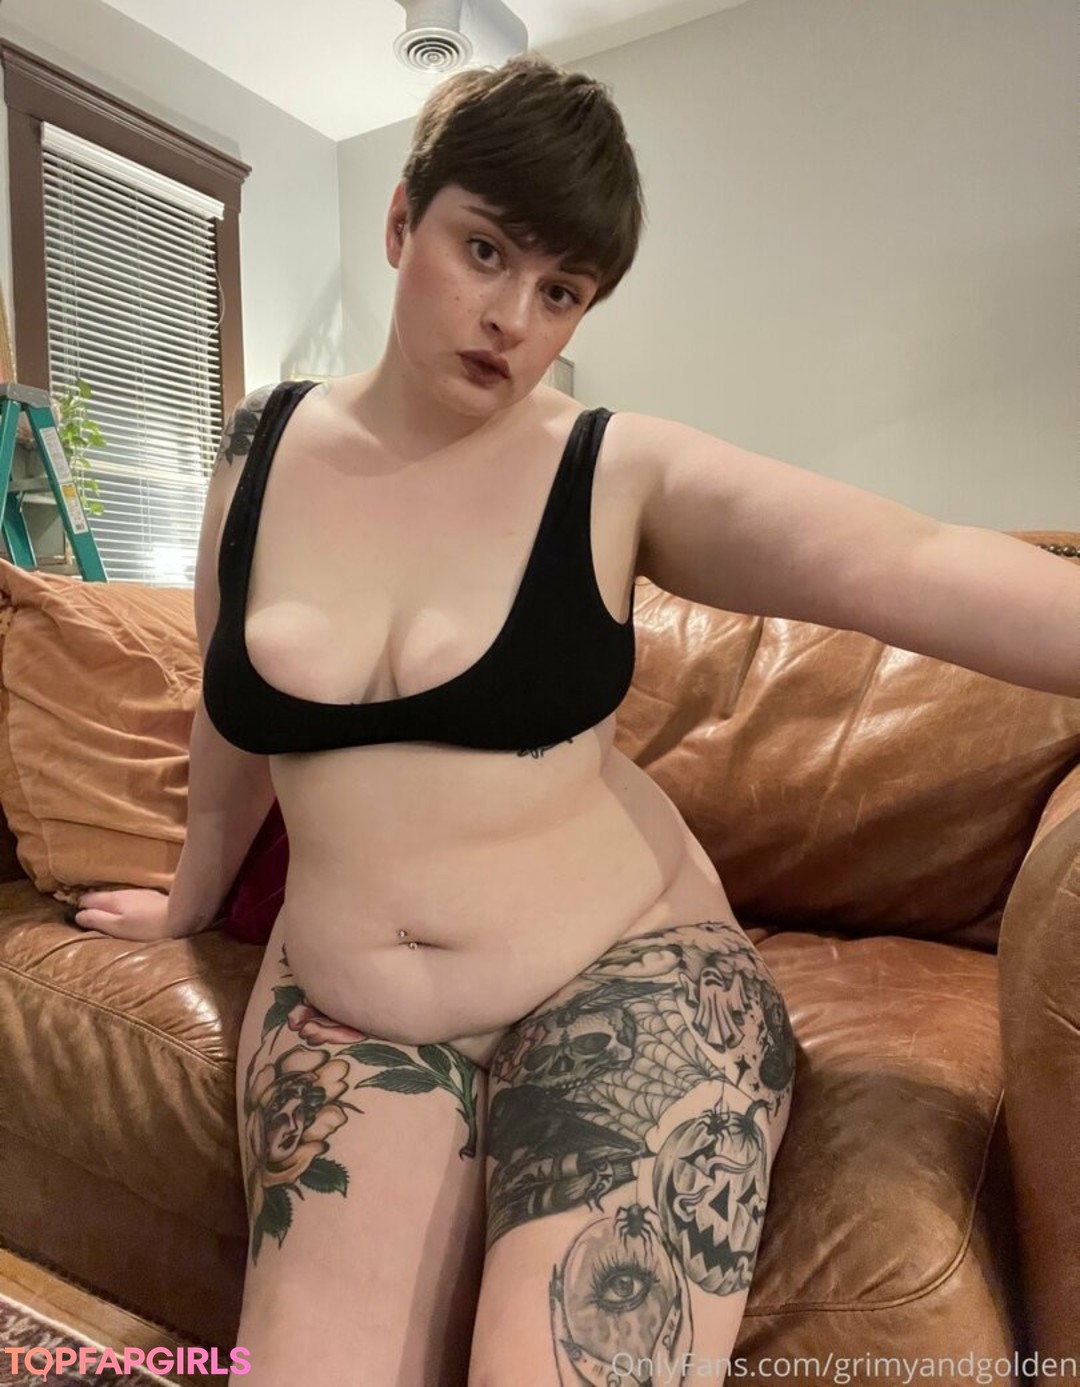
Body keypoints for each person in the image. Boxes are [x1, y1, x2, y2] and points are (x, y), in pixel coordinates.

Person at [72, 52, 1078, 1387]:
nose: (511, 317)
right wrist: (190, 896)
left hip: (628, 975)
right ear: (401, 222)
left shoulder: (611, 471)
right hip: (357, 1011)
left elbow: (911, 563)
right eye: (485, 251)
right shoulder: (257, 452)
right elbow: (231, 714)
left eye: (562, 290)